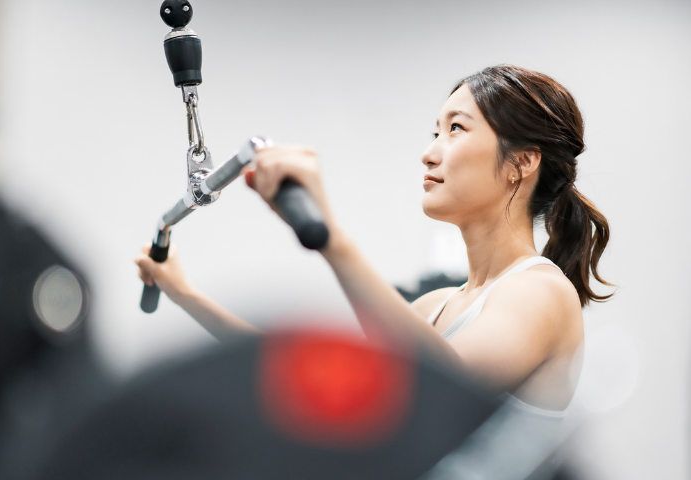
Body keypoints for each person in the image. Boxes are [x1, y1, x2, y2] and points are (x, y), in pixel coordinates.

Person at [136, 64, 612, 412]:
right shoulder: (434, 308)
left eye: (456, 129)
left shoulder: (542, 291)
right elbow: (303, 367)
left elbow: (442, 390)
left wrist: (331, 238)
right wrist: (184, 293)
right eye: (435, 132)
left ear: (522, 162)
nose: (429, 153)